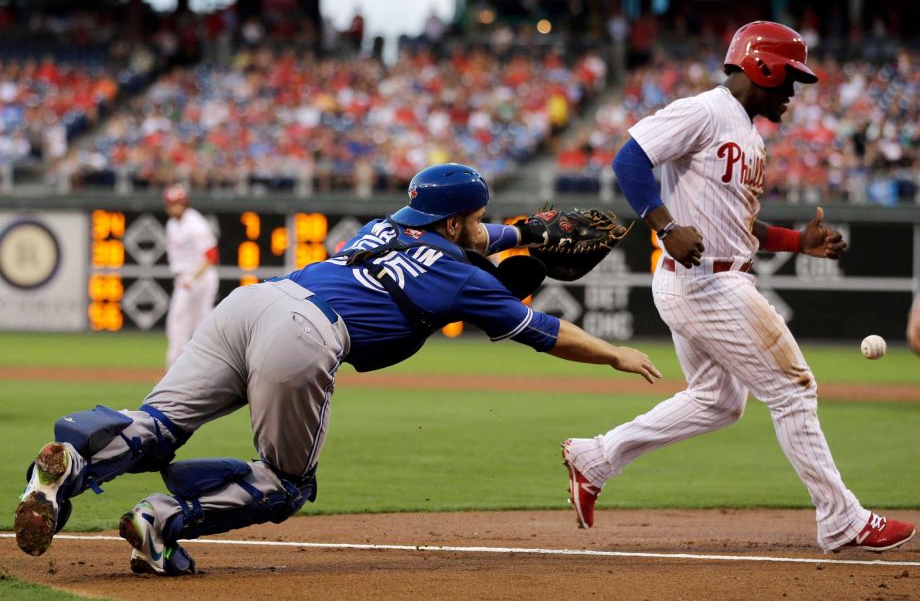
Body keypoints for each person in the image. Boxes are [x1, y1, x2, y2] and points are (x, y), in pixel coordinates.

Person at [14, 163, 661, 575]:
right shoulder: (463, 278)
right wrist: (615, 353)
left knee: (157, 422)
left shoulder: (387, 228)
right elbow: (545, 333)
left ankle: (69, 467)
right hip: (304, 336)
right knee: (286, 483)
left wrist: (520, 234)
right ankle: (158, 518)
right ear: (459, 219)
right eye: (481, 217)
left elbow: (477, 237)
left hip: (252, 302)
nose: (486, 226)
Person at [561, 21, 916, 553]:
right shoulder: (706, 110)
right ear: (761, 67)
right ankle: (841, 519)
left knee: (718, 401)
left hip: (709, 278)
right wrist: (663, 225)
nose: (793, 93)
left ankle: (595, 458)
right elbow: (629, 157)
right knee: (794, 391)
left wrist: (800, 243)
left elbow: (740, 225)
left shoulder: (748, 135)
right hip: (708, 285)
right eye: (788, 79)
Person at [162, 184, 219, 368]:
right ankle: (180, 369)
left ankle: (202, 367)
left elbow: (211, 255)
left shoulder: (195, 223)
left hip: (199, 277)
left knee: (191, 322)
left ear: (185, 203)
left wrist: (193, 279)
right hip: (185, 277)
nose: (174, 207)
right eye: (171, 203)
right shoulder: (172, 224)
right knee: (182, 323)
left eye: (177, 203)